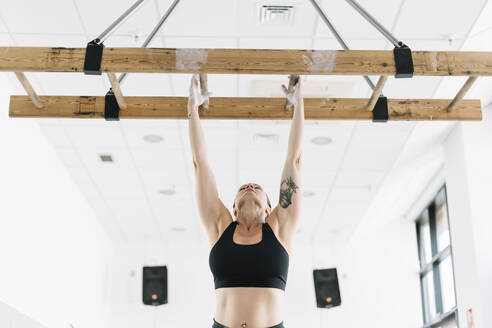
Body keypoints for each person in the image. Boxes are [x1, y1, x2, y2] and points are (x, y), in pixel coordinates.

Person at [188, 73, 304, 328]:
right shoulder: (219, 226)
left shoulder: (280, 228)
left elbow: (294, 160)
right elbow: (200, 164)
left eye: (257, 187)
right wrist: (192, 109)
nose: (250, 186)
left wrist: (299, 105)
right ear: (232, 208)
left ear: (269, 208)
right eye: (243, 187)